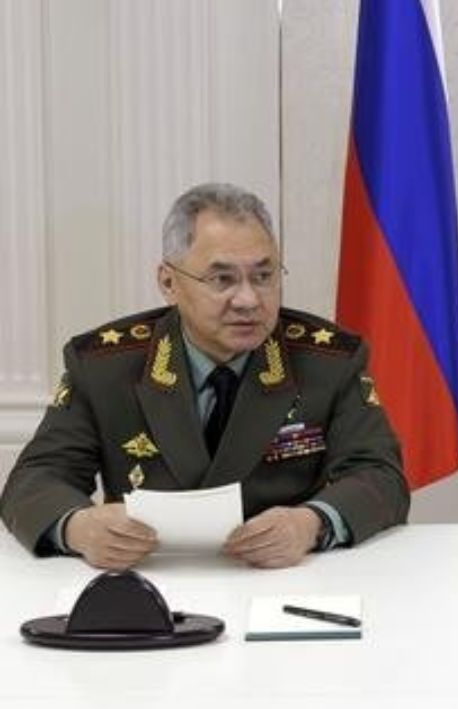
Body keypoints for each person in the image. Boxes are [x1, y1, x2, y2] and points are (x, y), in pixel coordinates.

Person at [0, 182, 409, 570]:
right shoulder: (106, 366)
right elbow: (34, 481)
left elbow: (381, 476)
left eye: (264, 276)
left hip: (283, 580)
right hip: (147, 579)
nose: (248, 299)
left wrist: (311, 524)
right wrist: (78, 528)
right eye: (222, 279)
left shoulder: (328, 361)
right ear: (168, 283)